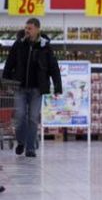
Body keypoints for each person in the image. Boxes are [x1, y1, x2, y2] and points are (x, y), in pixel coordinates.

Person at [2, 18, 62, 158]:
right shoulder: (19, 44)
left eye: (29, 28)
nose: (26, 31)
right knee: (21, 116)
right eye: (26, 28)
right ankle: (21, 141)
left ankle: (30, 148)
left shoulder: (45, 47)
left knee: (33, 118)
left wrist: (58, 86)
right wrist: (6, 81)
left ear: (37, 29)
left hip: (37, 89)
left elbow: (53, 67)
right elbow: (9, 63)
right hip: (20, 87)